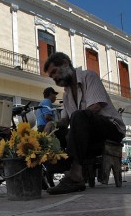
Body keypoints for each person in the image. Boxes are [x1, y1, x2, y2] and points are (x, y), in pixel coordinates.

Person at [43, 52, 126, 194]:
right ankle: (55, 169)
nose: (54, 77)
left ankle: (75, 176)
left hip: (112, 128)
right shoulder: (66, 94)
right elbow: (65, 120)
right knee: (53, 132)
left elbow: (96, 107)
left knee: (79, 116)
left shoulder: (89, 76)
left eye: (54, 72)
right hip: (89, 134)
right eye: (51, 77)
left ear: (65, 63)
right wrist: (53, 125)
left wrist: (75, 125)